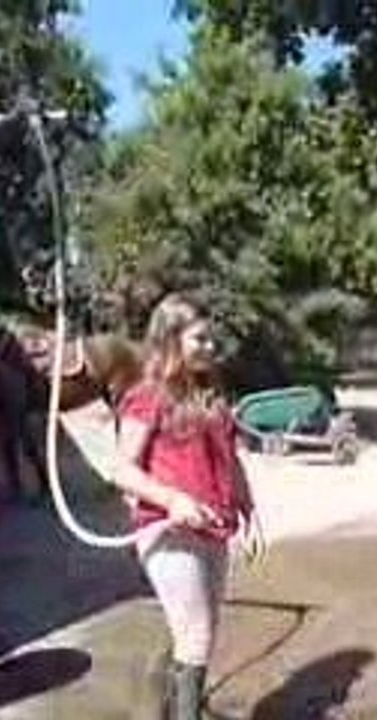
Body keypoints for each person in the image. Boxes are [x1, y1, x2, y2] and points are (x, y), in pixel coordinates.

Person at [112, 292, 264, 720]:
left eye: (212, 340)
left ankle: (179, 707)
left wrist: (248, 511)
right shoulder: (147, 397)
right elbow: (122, 471)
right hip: (167, 531)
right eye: (200, 339)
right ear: (170, 339)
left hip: (214, 528)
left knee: (201, 634)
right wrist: (173, 500)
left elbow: (229, 459)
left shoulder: (210, 395)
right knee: (195, 634)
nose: (210, 348)